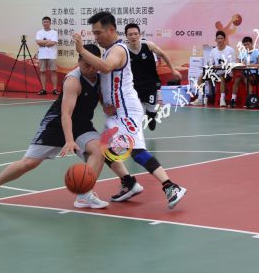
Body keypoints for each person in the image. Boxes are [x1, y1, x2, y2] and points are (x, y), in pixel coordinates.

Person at [0, 44, 109, 208]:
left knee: (99, 150)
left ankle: (84, 194)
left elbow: (99, 96)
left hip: (81, 125)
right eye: (86, 65)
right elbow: (66, 114)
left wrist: (107, 108)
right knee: (28, 163)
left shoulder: (100, 77)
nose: (91, 69)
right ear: (78, 61)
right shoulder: (73, 81)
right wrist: (69, 140)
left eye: (93, 65)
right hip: (56, 124)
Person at [72, 12, 186, 209]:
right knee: (105, 149)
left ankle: (171, 186)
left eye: (98, 33)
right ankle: (129, 183)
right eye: (94, 33)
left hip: (126, 110)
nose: (96, 37)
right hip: (116, 112)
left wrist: (81, 50)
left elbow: (106, 67)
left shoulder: (118, 50)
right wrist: (104, 104)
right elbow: (106, 82)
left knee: (136, 150)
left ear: (111, 30)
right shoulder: (108, 51)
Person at [124, 23, 182, 130]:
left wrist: (173, 70)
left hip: (150, 83)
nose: (133, 37)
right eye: (130, 34)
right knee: (136, 111)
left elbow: (163, 54)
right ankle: (135, 132)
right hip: (134, 85)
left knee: (151, 110)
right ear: (126, 36)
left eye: (135, 34)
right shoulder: (124, 50)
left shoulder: (148, 45)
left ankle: (151, 115)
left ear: (139, 35)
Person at [191, 30, 236, 107]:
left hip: (227, 73)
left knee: (221, 77)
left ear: (224, 39)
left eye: (221, 38)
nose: (219, 40)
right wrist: (211, 65)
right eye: (218, 38)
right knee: (201, 77)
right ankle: (200, 98)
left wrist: (223, 66)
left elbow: (233, 63)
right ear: (216, 40)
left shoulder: (230, 50)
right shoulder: (213, 51)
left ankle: (222, 99)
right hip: (216, 72)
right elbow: (210, 63)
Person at [230, 36, 259, 108]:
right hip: (246, 73)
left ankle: (250, 101)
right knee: (237, 78)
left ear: (252, 43)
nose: (246, 46)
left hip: (256, 74)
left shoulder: (257, 52)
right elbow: (237, 62)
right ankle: (233, 100)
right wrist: (240, 63)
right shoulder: (243, 52)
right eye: (245, 45)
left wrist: (249, 65)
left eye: (248, 44)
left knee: (247, 79)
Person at [36, 16, 59, 95]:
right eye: (44, 22)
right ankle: (43, 89)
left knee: (53, 72)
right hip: (42, 55)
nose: (46, 23)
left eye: (47, 22)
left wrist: (43, 42)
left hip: (52, 55)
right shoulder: (39, 32)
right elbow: (38, 42)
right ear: (42, 23)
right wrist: (48, 41)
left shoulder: (54, 32)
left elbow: (53, 43)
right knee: (42, 72)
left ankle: (55, 89)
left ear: (50, 23)